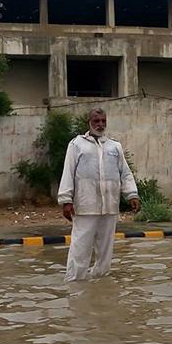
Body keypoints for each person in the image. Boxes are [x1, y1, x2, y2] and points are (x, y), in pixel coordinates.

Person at [57, 108, 140, 282]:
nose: (100, 124)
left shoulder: (114, 146)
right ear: (89, 122)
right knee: (80, 246)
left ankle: (100, 280)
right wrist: (66, 200)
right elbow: (68, 172)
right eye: (97, 121)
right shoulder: (77, 144)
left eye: (103, 121)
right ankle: (74, 282)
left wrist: (132, 194)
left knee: (105, 248)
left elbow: (125, 173)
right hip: (86, 205)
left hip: (110, 205)